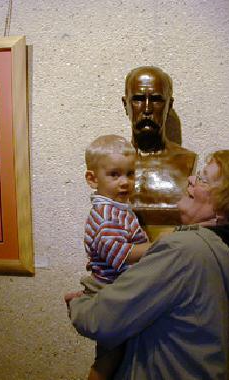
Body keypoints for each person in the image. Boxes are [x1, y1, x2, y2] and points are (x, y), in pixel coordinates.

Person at [66, 149, 229, 379]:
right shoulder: (220, 252)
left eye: (203, 179)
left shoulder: (185, 250)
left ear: (223, 205)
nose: (191, 179)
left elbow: (102, 321)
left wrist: (79, 303)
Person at [64, 134, 152, 380]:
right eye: (114, 175)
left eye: (130, 174)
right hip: (110, 289)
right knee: (109, 357)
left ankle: (81, 298)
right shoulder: (106, 214)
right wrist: (155, 247)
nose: (125, 182)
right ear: (93, 179)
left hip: (114, 286)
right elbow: (120, 256)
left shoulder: (118, 209)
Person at [122, 66, 197, 223]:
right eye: (138, 99)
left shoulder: (186, 161)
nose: (147, 109)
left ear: (169, 105)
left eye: (156, 100)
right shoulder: (110, 164)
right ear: (125, 105)